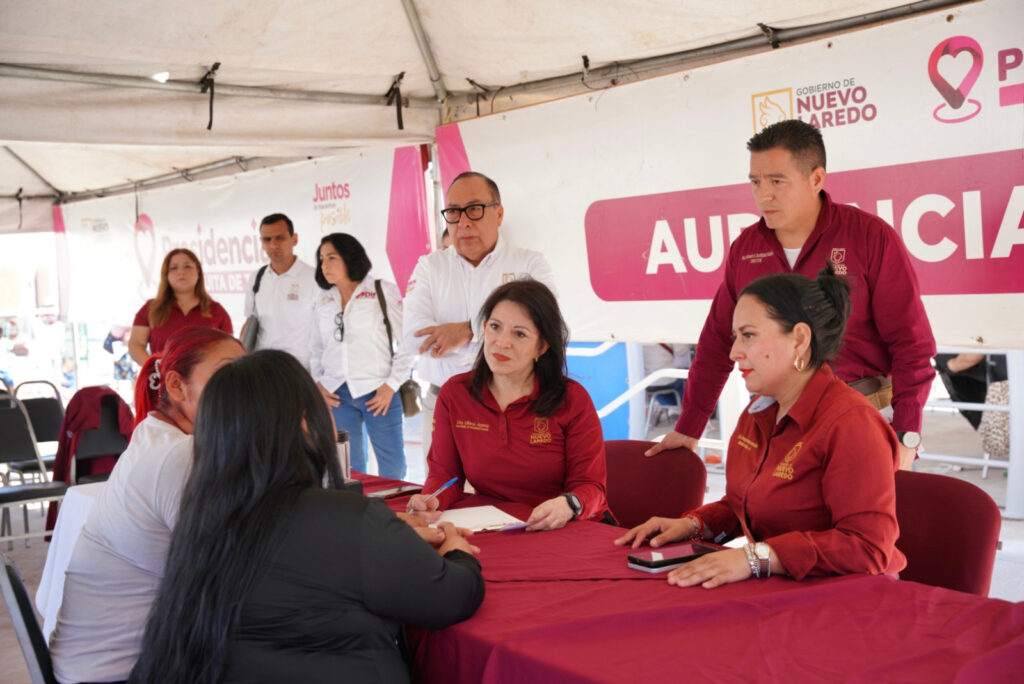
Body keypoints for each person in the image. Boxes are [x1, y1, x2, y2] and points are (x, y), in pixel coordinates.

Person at [129, 350, 485, 684]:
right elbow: (450, 597)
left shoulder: (200, 523)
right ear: (303, 422)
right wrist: (457, 550)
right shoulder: (350, 518)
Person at [648, 120, 935, 469]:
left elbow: (912, 345)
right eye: (756, 181)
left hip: (863, 413)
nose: (763, 194)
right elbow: (716, 343)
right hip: (777, 423)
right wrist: (689, 427)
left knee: (862, 524)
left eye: (777, 181)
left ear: (816, 179)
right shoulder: (745, 248)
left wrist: (906, 436)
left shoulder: (869, 237)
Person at [617, 266, 906, 587]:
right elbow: (750, 503)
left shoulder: (850, 422)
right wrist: (693, 526)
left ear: (799, 339)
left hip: (851, 600)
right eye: (735, 337)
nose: (734, 352)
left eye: (749, 335)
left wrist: (756, 557)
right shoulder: (758, 412)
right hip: (785, 589)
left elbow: (869, 547)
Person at [49, 327, 245, 684]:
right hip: (115, 674)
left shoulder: (157, 435)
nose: (249, 389)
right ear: (175, 385)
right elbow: (236, 574)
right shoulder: (179, 454)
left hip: (95, 667)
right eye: (228, 374)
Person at [409, 280, 609, 531]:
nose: (502, 342)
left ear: (542, 346)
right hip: (497, 527)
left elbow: (591, 487)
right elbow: (445, 477)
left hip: (567, 528)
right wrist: (432, 501)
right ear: (484, 329)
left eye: (519, 334)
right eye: (495, 327)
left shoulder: (572, 399)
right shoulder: (455, 394)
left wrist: (568, 504)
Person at [403, 171, 557, 457]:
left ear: (498, 214)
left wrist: (467, 331)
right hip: (442, 404)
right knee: (440, 497)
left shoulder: (529, 264)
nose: (463, 222)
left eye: (474, 209)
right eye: (453, 212)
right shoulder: (429, 267)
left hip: (514, 405)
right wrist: (502, 335)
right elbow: (414, 339)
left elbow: (544, 326)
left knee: (508, 496)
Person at [310, 232, 413, 479]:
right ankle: (357, 515)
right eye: (321, 258)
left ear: (350, 257)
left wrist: (391, 385)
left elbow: (409, 342)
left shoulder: (381, 290)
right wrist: (318, 384)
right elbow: (316, 349)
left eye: (332, 257)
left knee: (392, 467)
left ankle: (394, 514)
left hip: (379, 392)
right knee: (349, 469)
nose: (324, 265)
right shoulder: (323, 299)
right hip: (337, 393)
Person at [239, 213, 318, 369]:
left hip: (300, 371)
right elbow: (250, 320)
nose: (273, 245)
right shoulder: (257, 277)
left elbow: (326, 332)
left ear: (294, 239)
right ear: (261, 243)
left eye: (280, 238)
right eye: (267, 239)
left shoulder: (315, 278)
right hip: (262, 368)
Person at [128, 248, 233, 365]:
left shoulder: (216, 310)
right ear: (166, 275)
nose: (181, 272)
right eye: (174, 268)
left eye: (187, 266)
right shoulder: (151, 308)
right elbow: (136, 344)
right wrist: (154, 369)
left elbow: (228, 349)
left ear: (198, 271)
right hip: (163, 380)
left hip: (206, 381)